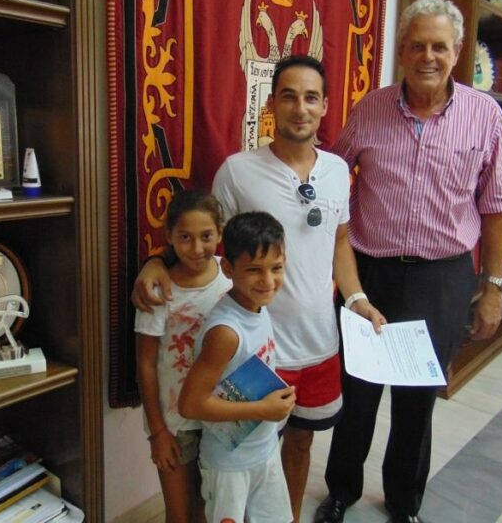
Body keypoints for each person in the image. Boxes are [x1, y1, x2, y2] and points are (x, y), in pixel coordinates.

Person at [133, 55, 385, 522]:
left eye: (311, 98)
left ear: (325, 106)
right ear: (271, 105)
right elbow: (206, 240)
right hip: (258, 350)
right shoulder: (237, 171)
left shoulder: (336, 171)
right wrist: (156, 260)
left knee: (299, 446)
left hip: (319, 342)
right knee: (241, 457)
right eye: (288, 96)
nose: (300, 108)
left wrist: (357, 300)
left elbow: (340, 241)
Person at [314, 0, 502, 523]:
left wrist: (493, 290)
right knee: (357, 394)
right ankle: (341, 492)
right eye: (416, 46)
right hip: (371, 272)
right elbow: (332, 177)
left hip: (442, 279)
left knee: (418, 398)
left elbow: (497, 210)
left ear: (457, 51)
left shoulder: (485, 117)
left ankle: (404, 502)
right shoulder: (371, 108)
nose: (427, 57)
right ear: (402, 51)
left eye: (439, 46)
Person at [178, 211, 296, 523]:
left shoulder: (258, 306)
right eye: (254, 270)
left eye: (276, 268)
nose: (268, 281)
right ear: (228, 268)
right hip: (228, 466)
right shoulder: (226, 333)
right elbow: (190, 404)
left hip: (265, 450)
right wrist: (263, 409)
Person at [135, 189, 232, 523]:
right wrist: (158, 432)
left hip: (219, 415)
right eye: (185, 237)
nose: (197, 248)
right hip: (174, 424)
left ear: (220, 233)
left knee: (208, 509)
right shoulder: (158, 290)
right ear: (169, 236)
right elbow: (146, 363)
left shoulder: (229, 276)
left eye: (206, 236)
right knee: (179, 514)